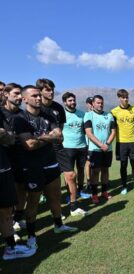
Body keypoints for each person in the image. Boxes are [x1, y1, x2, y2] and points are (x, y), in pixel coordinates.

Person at [14, 85, 78, 250]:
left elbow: (60, 137)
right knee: (33, 202)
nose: (38, 98)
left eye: (38, 95)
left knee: (55, 197)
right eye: (34, 96)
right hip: (33, 167)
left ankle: (58, 225)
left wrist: (41, 138)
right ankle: (31, 236)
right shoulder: (20, 118)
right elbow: (29, 145)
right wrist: (49, 137)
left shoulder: (48, 114)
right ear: (25, 99)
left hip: (51, 163)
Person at [0, 107, 36, 260]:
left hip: (3, 166)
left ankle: (11, 248)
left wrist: (5, 134)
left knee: (6, 209)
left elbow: (9, 139)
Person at [0, 83, 27, 233]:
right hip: (4, 159)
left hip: (21, 157)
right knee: (7, 197)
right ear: (6, 95)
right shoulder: (1, 113)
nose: (19, 97)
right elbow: (6, 139)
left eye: (20, 94)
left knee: (21, 189)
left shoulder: (22, 114)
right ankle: (8, 227)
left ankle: (18, 218)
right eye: (16, 94)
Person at [84, 95, 116, 204]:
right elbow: (89, 133)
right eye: (98, 103)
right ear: (93, 104)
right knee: (95, 172)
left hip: (107, 149)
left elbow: (113, 132)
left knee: (105, 170)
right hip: (95, 150)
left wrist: (106, 144)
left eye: (101, 102)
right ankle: (94, 194)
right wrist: (100, 145)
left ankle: (104, 192)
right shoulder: (88, 115)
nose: (100, 104)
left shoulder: (109, 115)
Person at [61, 92, 89, 216]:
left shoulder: (82, 114)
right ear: (65, 102)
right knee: (69, 174)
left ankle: (80, 190)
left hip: (82, 147)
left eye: (74, 100)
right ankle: (69, 195)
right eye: (70, 101)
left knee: (81, 170)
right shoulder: (62, 115)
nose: (72, 102)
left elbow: (86, 130)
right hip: (67, 147)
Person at [111, 89, 134, 195]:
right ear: (119, 98)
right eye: (123, 97)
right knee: (123, 165)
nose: (126, 99)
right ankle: (124, 186)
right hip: (121, 142)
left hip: (133, 141)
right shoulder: (114, 111)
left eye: (127, 97)